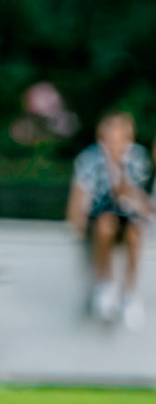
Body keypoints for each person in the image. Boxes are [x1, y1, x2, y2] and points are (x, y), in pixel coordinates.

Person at [67, 109, 154, 330]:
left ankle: (130, 292)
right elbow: (79, 194)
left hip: (129, 215)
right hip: (100, 216)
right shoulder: (89, 158)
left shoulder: (137, 158)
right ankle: (104, 284)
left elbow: (136, 195)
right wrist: (75, 223)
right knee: (106, 223)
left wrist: (120, 168)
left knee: (135, 232)